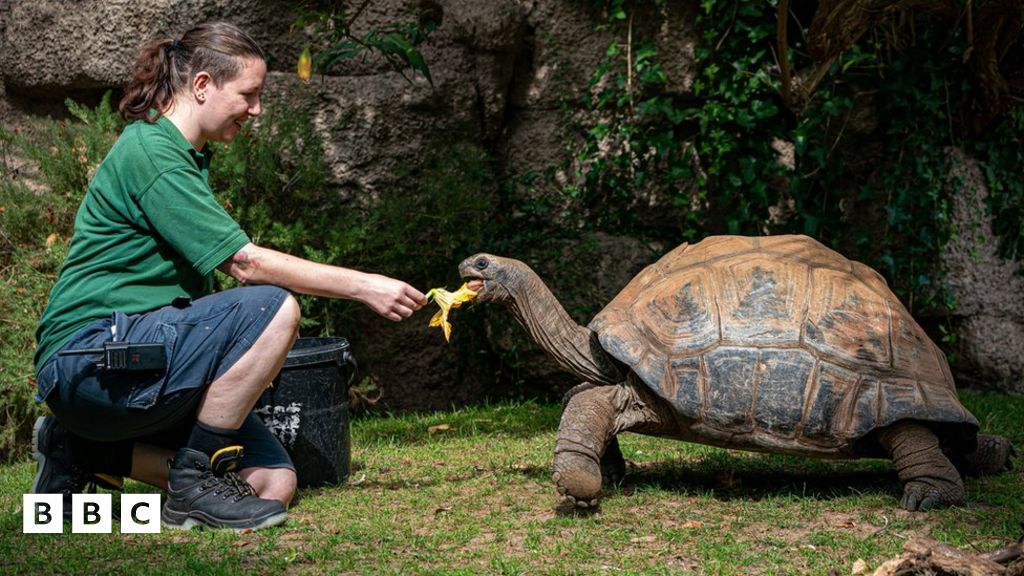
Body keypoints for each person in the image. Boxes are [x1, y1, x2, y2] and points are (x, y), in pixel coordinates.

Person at [31, 22, 426, 531]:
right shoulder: (152, 152)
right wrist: (364, 285)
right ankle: (193, 484)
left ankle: (86, 452)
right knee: (275, 306)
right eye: (249, 94)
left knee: (273, 484)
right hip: (89, 361)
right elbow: (245, 264)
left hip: (143, 363)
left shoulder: (186, 158)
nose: (257, 110)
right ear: (201, 86)